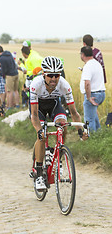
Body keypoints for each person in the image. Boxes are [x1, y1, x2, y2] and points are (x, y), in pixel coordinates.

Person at [30, 56, 88, 191]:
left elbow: (74, 113)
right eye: (50, 75)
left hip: (54, 105)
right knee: (42, 135)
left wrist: (80, 131)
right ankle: (39, 174)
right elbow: (34, 115)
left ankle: (59, 155)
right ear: (44, 74)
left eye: (57, 75)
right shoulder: (35, 85)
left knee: (63, 123)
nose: (54, 79)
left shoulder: (64, 85)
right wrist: (39, 130)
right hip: (38, 108)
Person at [80, 46, 106, 132]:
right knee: (94, 117)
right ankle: (99, 135)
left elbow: (87, 83)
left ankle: (91, 139)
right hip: (101, 93)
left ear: (83, 55)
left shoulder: (88, 66)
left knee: (89, 120)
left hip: (93, 95)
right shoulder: (97, 63)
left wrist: (88, 98)